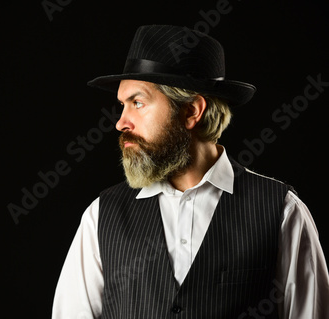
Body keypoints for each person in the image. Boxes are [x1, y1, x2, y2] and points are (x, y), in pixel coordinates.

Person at [51, 25, 329, 318]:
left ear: (191, 111)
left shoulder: (282, 211)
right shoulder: (101, 216)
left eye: (138, 102)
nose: (121, 122)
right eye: (122, 105)